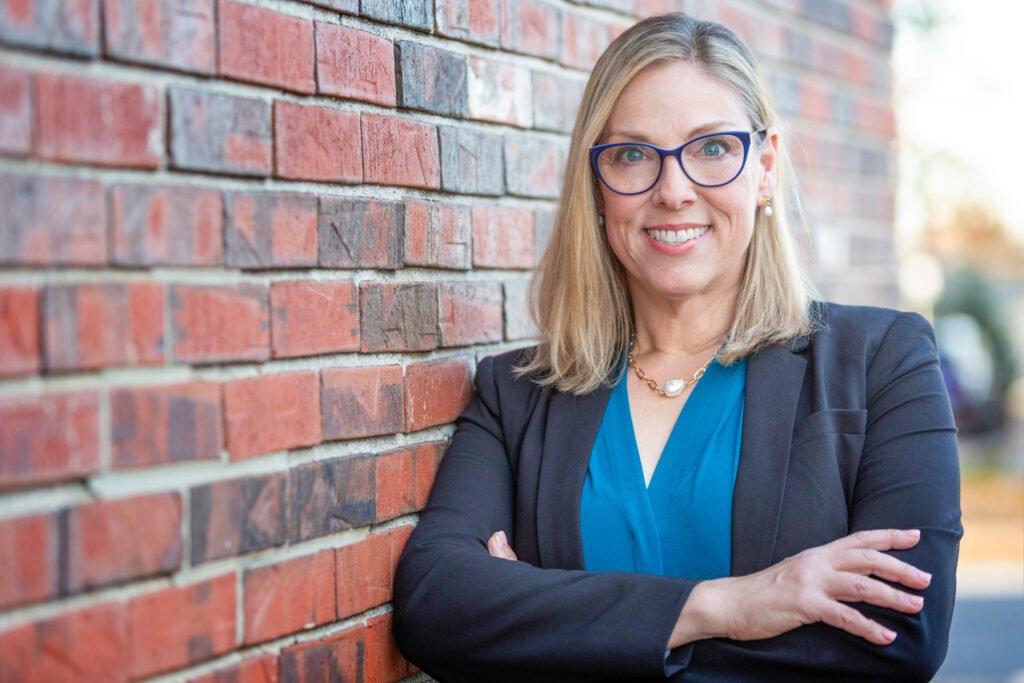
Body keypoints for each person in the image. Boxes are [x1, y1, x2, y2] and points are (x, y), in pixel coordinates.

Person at [393, 12, 961, 682]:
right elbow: (434, 603)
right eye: (632, 154)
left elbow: (898, 635)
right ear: (597, 187)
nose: (673, 190)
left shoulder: (882, 362)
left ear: (765, 165)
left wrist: (554, 628)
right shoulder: (517, 394)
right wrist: (731, 603)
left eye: (712, 148)